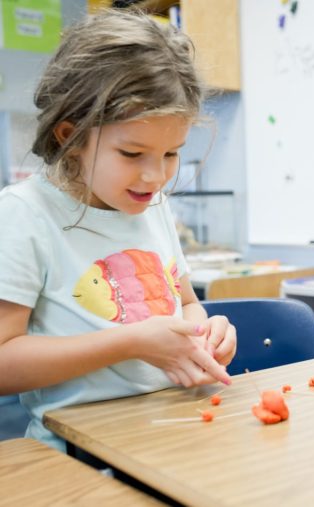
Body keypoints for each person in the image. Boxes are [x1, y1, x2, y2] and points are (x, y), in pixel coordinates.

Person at [0, 10, 236, 451]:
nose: (155, 177)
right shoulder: (24, 215)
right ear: (72, 136)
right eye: (132, 153)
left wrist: (204, 333)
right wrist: (129, 342)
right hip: (82, 452)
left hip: (176, 433)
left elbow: (187, 305)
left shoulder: (154, 205)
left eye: (171, 153)